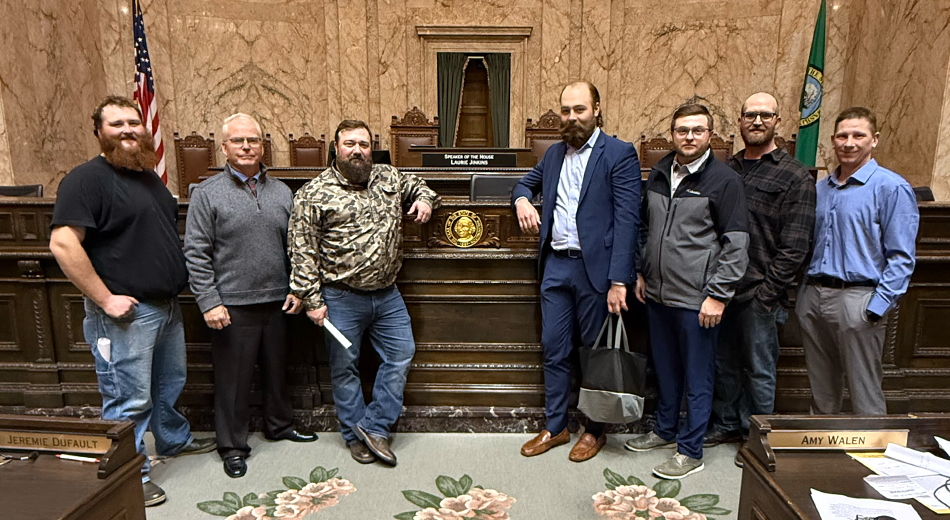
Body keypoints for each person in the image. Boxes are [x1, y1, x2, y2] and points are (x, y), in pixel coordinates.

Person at [48, 95, 215, 507]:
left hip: (166, 307)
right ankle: (129, 475)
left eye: (132, 123)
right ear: (99, 133)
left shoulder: (146, 177)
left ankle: (173, 440)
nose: (127, 130)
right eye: (116, 124)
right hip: (126, 315)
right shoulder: (85, 179)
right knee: (128, 398)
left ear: (144, 129)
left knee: (166, 386)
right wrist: (105, 300)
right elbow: (63, 243)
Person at [288, 120, 439, 466]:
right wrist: (312, 300)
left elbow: (420, 186)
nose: (358, 150)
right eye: (350, 144)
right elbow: (301, 250)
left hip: (387, 295)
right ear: (336, 149)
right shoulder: (314, 192)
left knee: (402, 353)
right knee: (345, 367)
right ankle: (354, 436)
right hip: (341, 297)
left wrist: (425, 200)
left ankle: (374, 427)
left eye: (364, 144)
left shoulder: (388, 176)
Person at [512, 81, 641, 462]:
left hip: (596, 272)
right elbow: (523, 183)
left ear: (597, 109)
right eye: (566, 110)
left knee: (593, 355)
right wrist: (522, 199)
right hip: (555, 267)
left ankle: (594, 430)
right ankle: (556, 425)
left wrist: (620, 280)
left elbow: (628, 220)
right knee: (553, 349)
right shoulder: (553, 155)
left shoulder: (619, 153)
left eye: (579, 110)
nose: (571, 117)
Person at [184, 113, 317, 479]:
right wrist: (209, 301)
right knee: (234, 382)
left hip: (279, 302)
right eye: (238, 141)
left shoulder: (282, 192)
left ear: (263, 146)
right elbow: (195, 253)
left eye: (253, 140)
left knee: (278, 372)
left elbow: (296, 247)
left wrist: (298, 289)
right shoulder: (207, 194)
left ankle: (279, 425)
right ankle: (232, 446)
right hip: (232, 306)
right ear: (224, 147)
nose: (246, 146)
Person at [626, 103, 749, 479]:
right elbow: (645, 227)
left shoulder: (724, 181)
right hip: (658, 295)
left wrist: (718, 294)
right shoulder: (661, 171)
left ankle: (690, 449)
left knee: (698, 378)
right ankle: (664, 431)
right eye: (682, 130)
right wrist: (641, 271)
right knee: (665, 372)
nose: (689, 137)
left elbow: (737, 244)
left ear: (710, 135)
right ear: (672, 134)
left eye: (697, 130)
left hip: (699, 300)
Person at [707, 93, 816, 446]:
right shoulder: (725, 169)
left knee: (759, 370)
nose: (756, 121)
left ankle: (756, 439)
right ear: (739, 121)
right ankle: (726, 424)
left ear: (777, 122)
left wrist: (767, 296)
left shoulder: (795, 176)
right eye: (749, 115)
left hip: (760, 293)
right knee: (724, 365)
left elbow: (796, 247)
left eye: (765, 115)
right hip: (722, 289)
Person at [796, 106, 919, 415]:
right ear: (833, 140)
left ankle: (872, 458)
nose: (848, 143)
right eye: (842, 135)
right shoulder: (819, 189)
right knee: (821, 389)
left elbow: (902, 258)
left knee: (864, 391)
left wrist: (877, 306)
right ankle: (824, 457)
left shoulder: (891, 188)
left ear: (874, 140)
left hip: (859, 300)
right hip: (814, 297)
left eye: (858, 135)